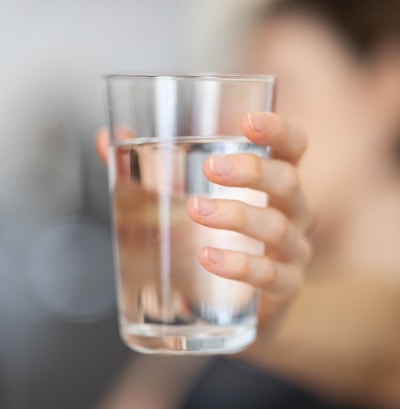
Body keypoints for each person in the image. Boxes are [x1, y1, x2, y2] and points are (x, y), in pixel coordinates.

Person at [94, 0, 400, 407]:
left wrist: (270, 320)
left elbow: (384, 337)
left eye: (282, 88)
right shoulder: (228, 279)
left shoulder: (367, 317)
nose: (241, 125)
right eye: (239, 98)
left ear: (387, 84)